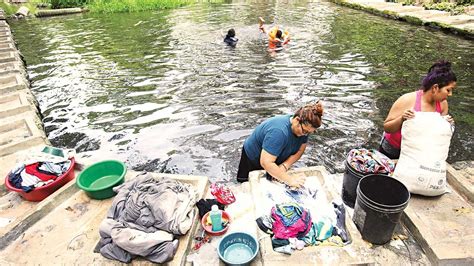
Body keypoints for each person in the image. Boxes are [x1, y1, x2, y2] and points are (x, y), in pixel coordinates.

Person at [379, 60, 457, 159]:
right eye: (448, 90)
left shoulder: (443, 104)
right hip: (393, 148)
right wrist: (402, 118)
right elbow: (387, 128)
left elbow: (437, 134)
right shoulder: (408, 100)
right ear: (435, 88)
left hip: (417, 150)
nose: (450, 94)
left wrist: (446, 124)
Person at [236, 101, 324, 188]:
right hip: (253, 157)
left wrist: (285, 166)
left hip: (276, 155)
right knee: (246, 185)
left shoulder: (303, 130)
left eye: (309, 133)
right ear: (297, 120)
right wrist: (290, 180)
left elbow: (300, 150)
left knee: (273, 181)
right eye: (304, 131)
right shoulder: (278, 132)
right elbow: (266, 162)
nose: (305, 135)